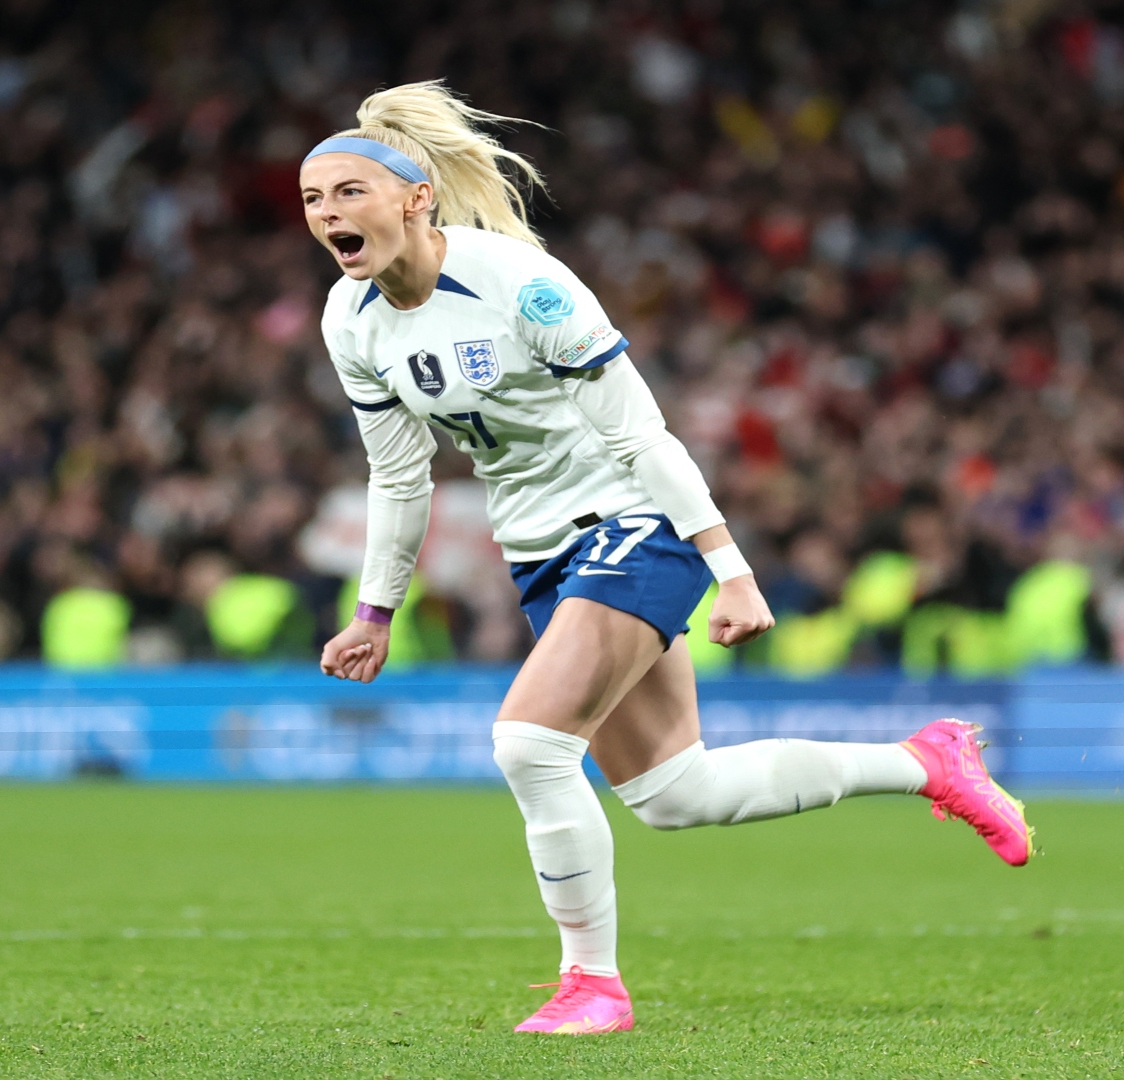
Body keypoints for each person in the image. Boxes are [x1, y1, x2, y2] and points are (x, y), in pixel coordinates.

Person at [304, 82, 1033, 1035]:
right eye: (314, 201)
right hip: (540, 551)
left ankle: (592, 985)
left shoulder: (522, 284)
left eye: (349, 192)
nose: (329, 216)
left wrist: (728, 564)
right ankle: (926, 762)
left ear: (415, 198)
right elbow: (399, 479)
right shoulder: (350, 320)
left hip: (633, 517)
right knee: (676, 793)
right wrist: (374, 611)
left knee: (527, 742)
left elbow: (643, 437)